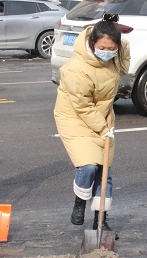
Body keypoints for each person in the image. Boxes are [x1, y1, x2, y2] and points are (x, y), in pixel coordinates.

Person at [54, 14, 129, 231]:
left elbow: (124, 65)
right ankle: (80, 201)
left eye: (111, 48)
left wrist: (120, 44)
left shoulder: (115, 56)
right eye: (102, 48)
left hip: (102, 115)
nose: (107, 52)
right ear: (92, 42)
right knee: (88, 166)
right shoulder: (76, 69)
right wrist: (102, 129)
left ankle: (101, 220)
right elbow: (82, 105)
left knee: (104, 170)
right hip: (74, 117)